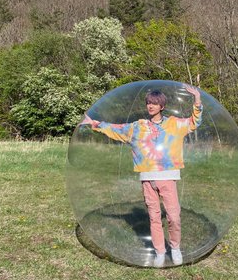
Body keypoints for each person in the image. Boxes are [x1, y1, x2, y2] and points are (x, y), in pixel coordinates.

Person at [80, 84, 202, 267]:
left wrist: (197, 99)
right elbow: (117, 129)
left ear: (162, 106)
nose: (150, 106)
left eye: (155, 103)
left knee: (174, 217)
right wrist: (94, 124)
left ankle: (175, 248)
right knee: (154, 217)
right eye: (148, 103)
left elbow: (194, 122)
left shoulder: (174, 124)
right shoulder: (138, 126)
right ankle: (160, 252)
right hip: (147, 179)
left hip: (167, 178)